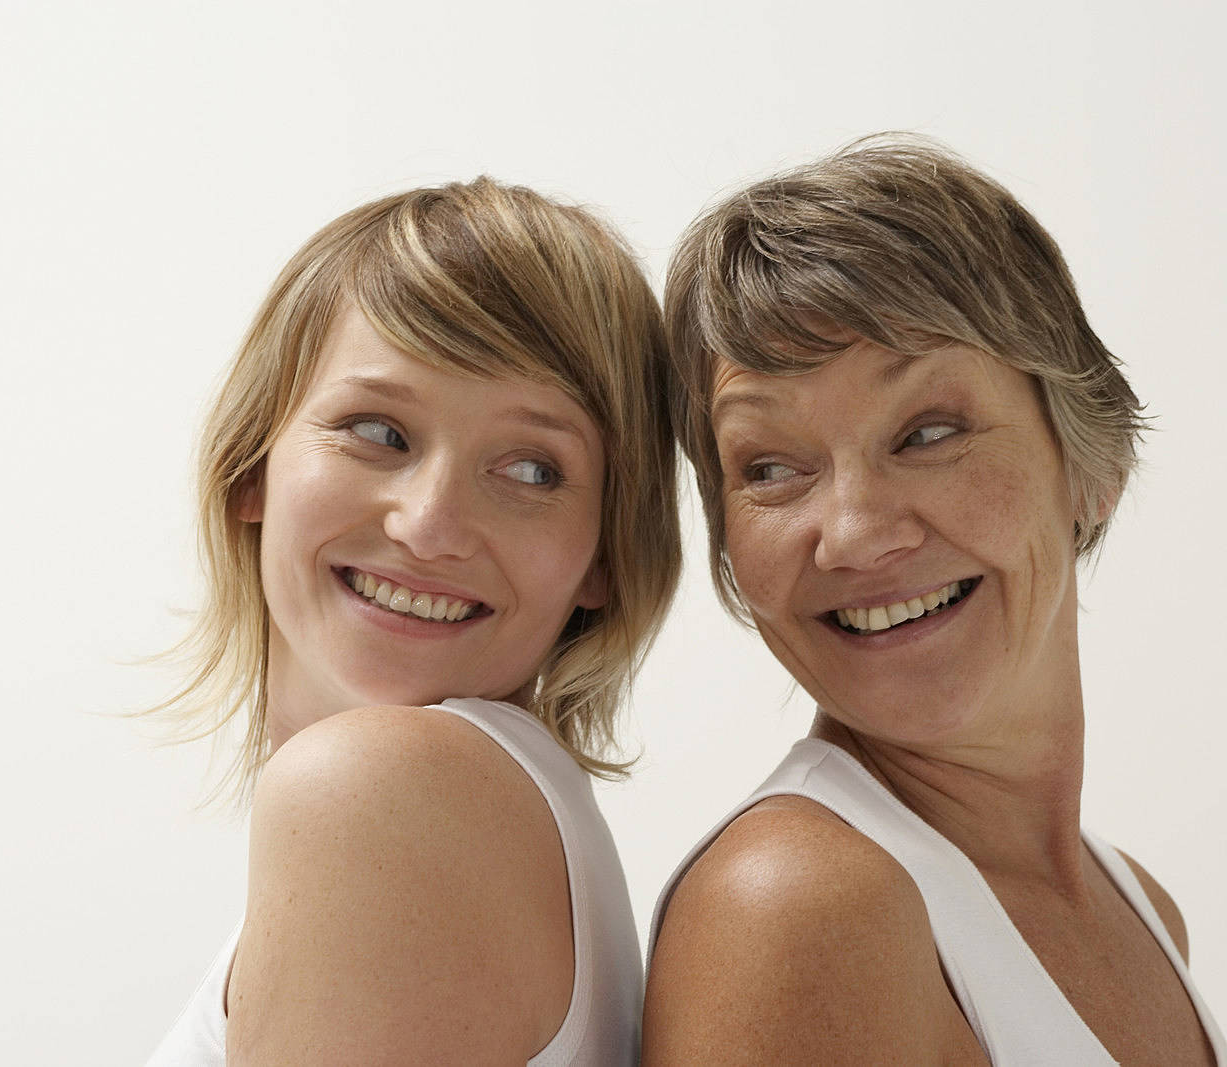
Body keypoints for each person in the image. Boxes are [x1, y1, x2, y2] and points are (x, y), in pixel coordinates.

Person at [642, 136, 1224, 1065]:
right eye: (772, 468)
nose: (856, 532)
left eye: (927, 432)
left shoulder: (1144, 910)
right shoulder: (802, 906)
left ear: (1091, 462)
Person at [148, 177, 681, 1065]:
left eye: (532, 470)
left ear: (604, 556)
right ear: (254, 466)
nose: (430, 525)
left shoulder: (382, 791)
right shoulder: (499, 819)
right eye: (379, 432)